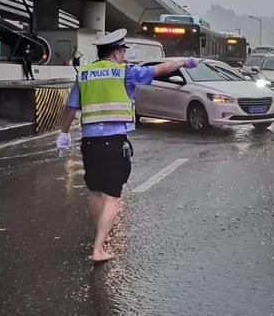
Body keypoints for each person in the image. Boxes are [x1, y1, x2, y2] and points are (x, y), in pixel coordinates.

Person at [56, 29, 199, 262]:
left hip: (89, 142)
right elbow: (160, 69)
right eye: (123, 50)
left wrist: (63, 133)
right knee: (112, 195)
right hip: (114, 141)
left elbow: (71, 107)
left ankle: (100, 236)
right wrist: (185, 61)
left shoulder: (84, 74)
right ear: (115, 52)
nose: (124, 54)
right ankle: (98, 248)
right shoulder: (125, 73)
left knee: (95, 191)